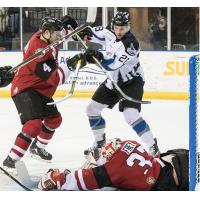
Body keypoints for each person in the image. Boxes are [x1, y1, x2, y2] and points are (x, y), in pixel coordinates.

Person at [2, 16, 86, 170]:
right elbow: (56, 79)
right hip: (25, 89)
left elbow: (57, 33)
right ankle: (10, 161)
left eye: (60, 33)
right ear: (47, 33)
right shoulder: (38, 51)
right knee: (33, 126)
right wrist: (72, 64)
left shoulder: (47, 37)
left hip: (40, 89)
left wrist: (66, 25)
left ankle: (37, 148)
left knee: (54, 120)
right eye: (57, 34)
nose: (60, 36)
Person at [77, 11, 159, 157]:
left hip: (131, 81)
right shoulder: (109, 30)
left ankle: (153, 147)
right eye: (117, 27)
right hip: (113, 81)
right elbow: (90, 33)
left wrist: (98, 56)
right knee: (92, 109)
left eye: (122, 28)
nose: (119, 31)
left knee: (130, 115)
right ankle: (100, 143)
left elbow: (112, 64)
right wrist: (76, 29)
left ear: (128, 27)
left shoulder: (131, 44)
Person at [38, 138, 189, 191]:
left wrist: (54, 178)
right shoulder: (132, 144)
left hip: (179, 177)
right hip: (176, 158)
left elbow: (81, 179)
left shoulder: (112, 170)